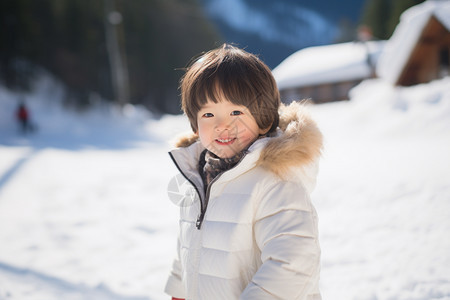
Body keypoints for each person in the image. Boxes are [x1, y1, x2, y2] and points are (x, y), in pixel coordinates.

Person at [165, 44, 323, 300]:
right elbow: (190, 242)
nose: (222, 125)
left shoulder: (276, 180)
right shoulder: (200, 176)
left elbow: (293, 262)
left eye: (236, 112)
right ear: (195, 125)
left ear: (263, 120)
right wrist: (180, 292)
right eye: (208, 113)